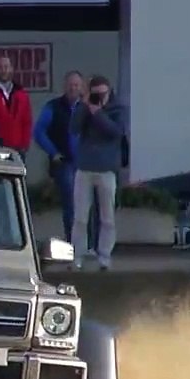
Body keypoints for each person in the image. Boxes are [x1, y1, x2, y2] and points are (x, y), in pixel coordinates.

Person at [69, 74, 128, 271]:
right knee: (80, 217)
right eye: (96, 94)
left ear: (109, 91)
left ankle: (104, 256)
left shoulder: (118, 108)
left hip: (107, 169)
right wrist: (85, 106)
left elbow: (116, 132)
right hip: (85, 167)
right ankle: (77, 255)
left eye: (103, 94)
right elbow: (74, 128)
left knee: (107, 217)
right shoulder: (85, 107)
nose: (99, 98)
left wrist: (98, 113)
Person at [34, 70, 99, 249]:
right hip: (65, 163)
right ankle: (74, 245)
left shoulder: (89, 107)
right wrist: (53, 152)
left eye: (77, 85)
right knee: (71, 203)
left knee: (90, 205)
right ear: (65, 86)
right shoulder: (53, 106)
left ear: (82, 88)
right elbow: (39, 131)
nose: (73, 88)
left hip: (87, 163)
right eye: (70, 85)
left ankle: (91, 245)